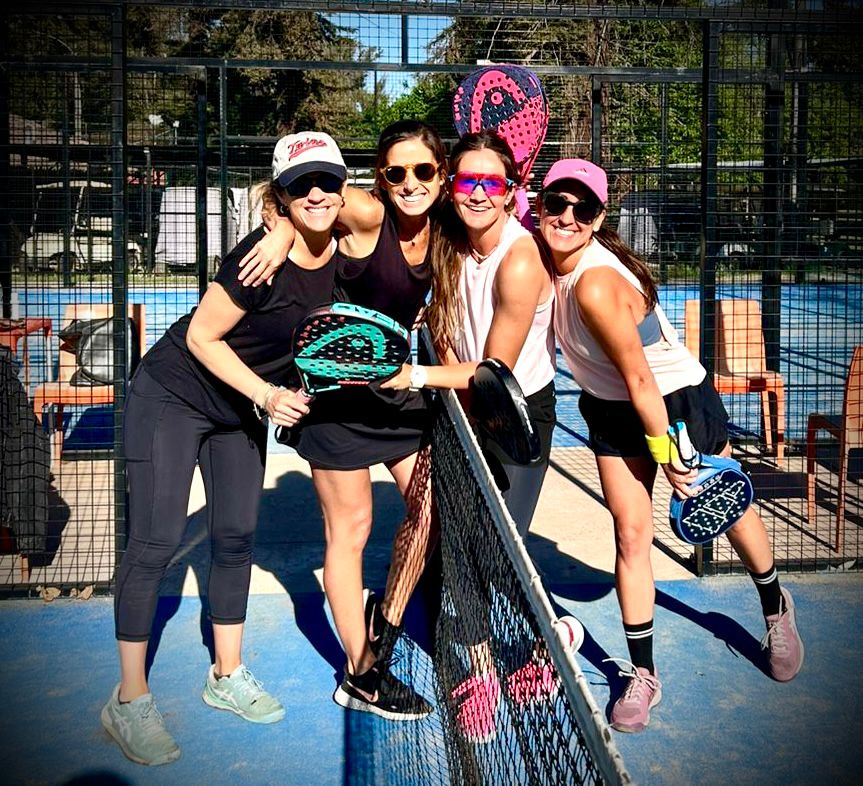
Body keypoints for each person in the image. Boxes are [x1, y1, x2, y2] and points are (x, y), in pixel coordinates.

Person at [100, 131, 347, 765]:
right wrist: (267, 394)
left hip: (240, 406)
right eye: (300, 186)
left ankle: (226, 674)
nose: (316, 194)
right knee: (155, 542)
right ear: (280, 197)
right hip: (175, 394)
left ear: (344, 187)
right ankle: (128, 699)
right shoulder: (257, 257)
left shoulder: (346, 250)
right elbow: (203, 338)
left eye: (327, 181)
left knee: (235, 536)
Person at [535, 158, 805, 733]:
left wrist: (669, 454)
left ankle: (776, 607)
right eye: (556, 203)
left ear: (598, 218)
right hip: (610, 406)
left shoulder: (596, 284)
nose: (567, 216)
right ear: (541, 205)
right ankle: (644, 675)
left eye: (583, 208)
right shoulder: (542, 252)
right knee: (631, 534)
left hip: (673, 399)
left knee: (730, 511)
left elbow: (641, 379)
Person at [237, 119, 450, 720]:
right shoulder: (368, 213)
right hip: (333, 397)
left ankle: (388, 614)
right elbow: (302, 197)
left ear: (441, 174)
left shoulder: (446, 226)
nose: (410, 183)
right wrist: (279, 229)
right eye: (396, 172)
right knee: (350, 531)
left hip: (393, 392)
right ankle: (361, 674)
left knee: (433, 510)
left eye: (424, 170)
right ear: (381, 178)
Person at [381, 130, 579, 743]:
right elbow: (445, 321)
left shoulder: (519, 260)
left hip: (515, 414)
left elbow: (494, 372)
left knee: (498, 549)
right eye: (467, 179)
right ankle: (484, 674)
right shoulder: (450, 240)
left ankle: (553, 635)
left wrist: (415, 375)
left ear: (512, 190)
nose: (477, 193)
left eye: (492, 182)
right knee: (459, 544)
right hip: (460, 405)